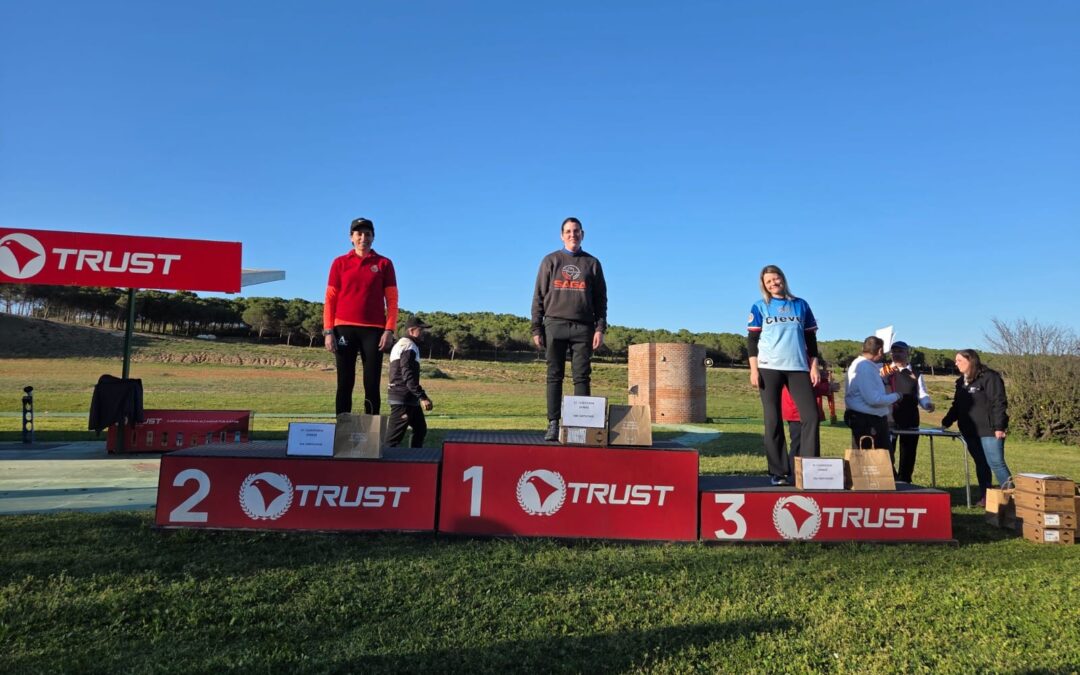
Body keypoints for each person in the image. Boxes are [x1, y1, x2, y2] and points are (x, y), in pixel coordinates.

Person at [531, 217, 608, 442]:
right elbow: (538, 296)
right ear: (561, 235)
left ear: (582, 234)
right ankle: (553, 423)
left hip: (583, 328)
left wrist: (599, 328)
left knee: (582, 376)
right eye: (568, 231)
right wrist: (536, 327)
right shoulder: (550, 261)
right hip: (554, 324)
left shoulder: (592, 263)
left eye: (576, 231)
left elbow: (601, 300)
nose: (572, 235)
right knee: (554, 376)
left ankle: (580, 425)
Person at [747, 265, 822, 485]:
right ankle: (778, 472)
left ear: (783, 279)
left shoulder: (800, 305)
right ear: (764, 285)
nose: (773, 284)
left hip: (798, 367)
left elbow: (811, 340)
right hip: (769, 367)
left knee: (811, 417)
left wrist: (814, 365)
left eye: (775, 279)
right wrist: (753, 370)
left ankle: (808, 469)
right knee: (772, 419)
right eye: (768, 282)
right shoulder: (760, 307)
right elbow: (752, 342)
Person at [323, 217, 399, 415]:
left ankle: (370, 434)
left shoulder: (384, 263)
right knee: (345, 382)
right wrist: (328, 331)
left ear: (373, 237)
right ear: (351, 237)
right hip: (344, 328)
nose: (363, 237)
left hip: (373, 330)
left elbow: (391, 301)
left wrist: (389, 330)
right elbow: (330, 299)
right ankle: (342, 429)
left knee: (372, 383)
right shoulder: (339, 263)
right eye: (359, 234)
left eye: (367, 234)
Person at [942, 349, 1011, 505]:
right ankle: (986, 497)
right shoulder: (961, 381)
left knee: (996, 463)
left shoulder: (990, 377)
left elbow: (998, 402)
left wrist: (999, 426)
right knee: (981, 463)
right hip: (969, 430)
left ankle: (1012, 498)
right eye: (956, 360)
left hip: (990, 430)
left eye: (959, 360)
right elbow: (957, 405)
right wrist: (947, 421)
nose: (956, 363)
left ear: (970, 361)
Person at [882, 341, 934, 482]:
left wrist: (927, 404)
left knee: (908, 453)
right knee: (886, 453)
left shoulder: (916, 374)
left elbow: (921, 394)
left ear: (907, 353)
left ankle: (905, 482)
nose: (896, 354)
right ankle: (889, 481)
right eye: (894, 351)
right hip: (888, 418)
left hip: (910, 418)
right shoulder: (884, 371)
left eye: (900, 351)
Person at [781, 359, 840, 477]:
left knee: (804, 441)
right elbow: (807, 386)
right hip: (797, 409)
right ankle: (794, 473)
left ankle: (805, 472)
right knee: (799, 443)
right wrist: (827, 387)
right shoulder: (800, 361)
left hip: (800, 409)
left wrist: (823, 378)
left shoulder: (802, 360)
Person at [844, 336, 902, 448]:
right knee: (877, 461)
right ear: (880, 350)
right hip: (869, 422)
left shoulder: (858, 364)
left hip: (863, 419)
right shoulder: (865, 368)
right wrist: (896, 396)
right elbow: (874, 400)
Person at [386, 316, 434, 448]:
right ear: (412, 331)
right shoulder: (409, 346)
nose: (424, 333)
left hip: (408, 398)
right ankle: (383, 467)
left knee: (420, 429)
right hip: (403, 398)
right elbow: (408, 376)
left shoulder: (405, 344)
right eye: (421, 330)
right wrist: (422, 397)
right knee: (392, 440)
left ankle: (415, 458)